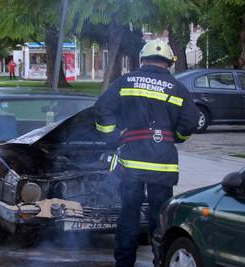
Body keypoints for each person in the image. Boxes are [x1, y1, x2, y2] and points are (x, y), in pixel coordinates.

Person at [93, 39, 199, 267]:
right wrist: (175, 137)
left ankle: (124, 264)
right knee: (160, 220)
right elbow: (190, 122)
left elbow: (102, 109)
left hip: (132, 166)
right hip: (163, 167)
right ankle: (161, 262)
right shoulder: (177, 87)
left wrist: (111, 137)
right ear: (169, 62)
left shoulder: (125, 81)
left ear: (143, 59)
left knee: (129, 217)